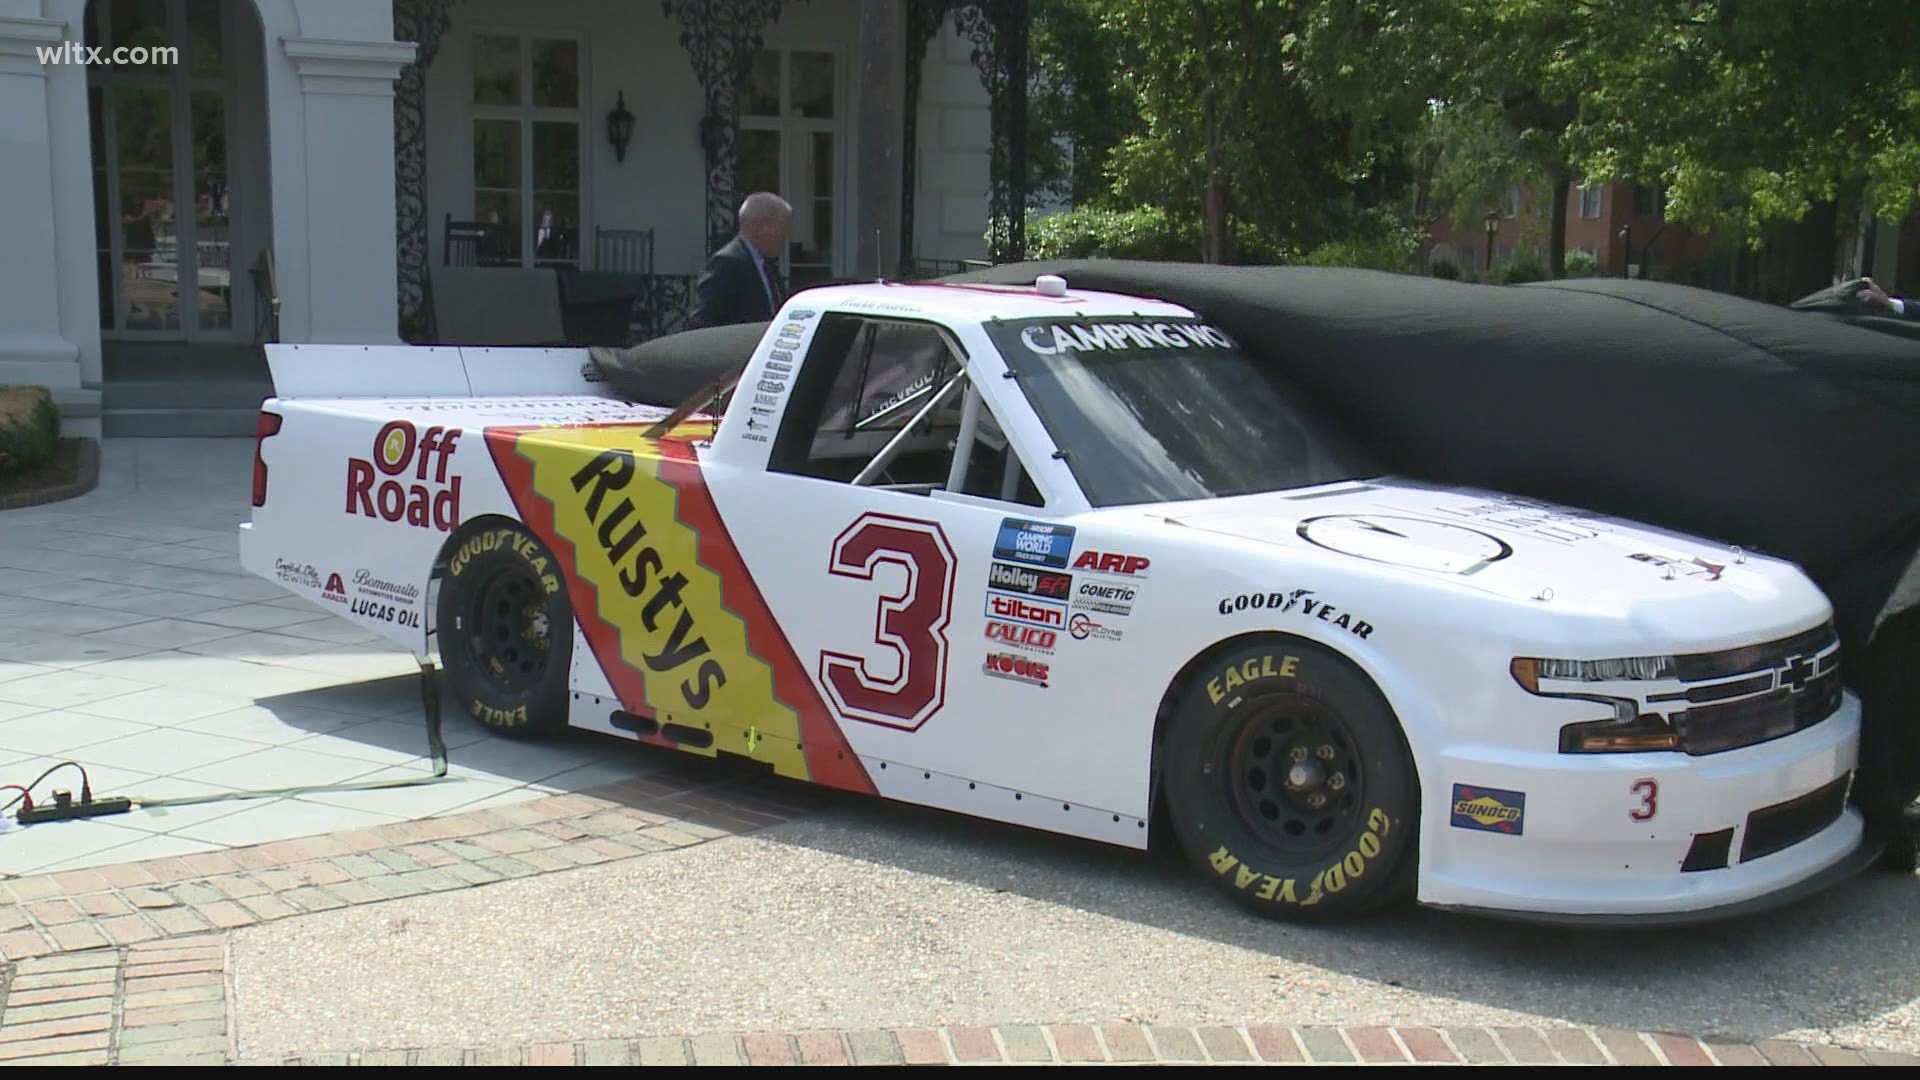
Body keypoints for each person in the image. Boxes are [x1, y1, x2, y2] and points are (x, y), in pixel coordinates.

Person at [688, 192, 792, 329]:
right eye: (783, 227)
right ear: (763, 227)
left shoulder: (767, 265)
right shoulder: (727, 263)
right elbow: (702, 323)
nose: (786, 236)